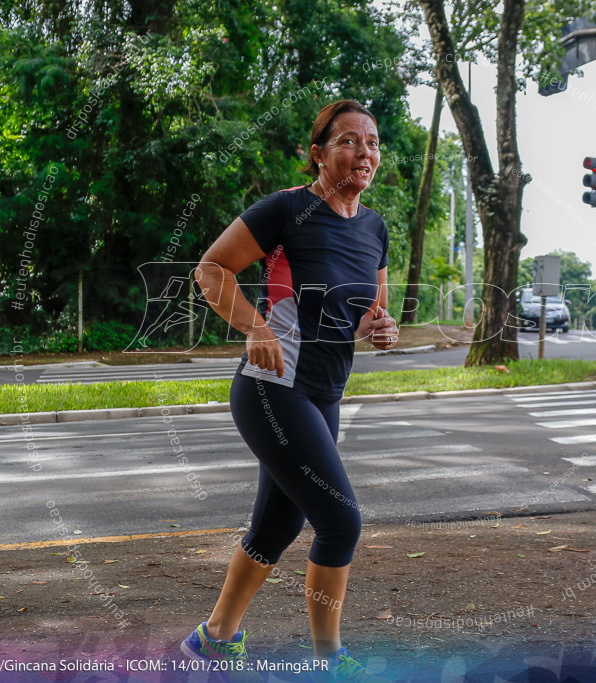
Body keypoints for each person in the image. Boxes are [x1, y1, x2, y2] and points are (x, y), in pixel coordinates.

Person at [181, 100, 398, 681]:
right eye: (348, 141)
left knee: (278, 527)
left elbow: (372, 316)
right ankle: (330, 661)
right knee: (340, 521)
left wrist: (382, 328)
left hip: (325, 392)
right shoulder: (287, 209)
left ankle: (214, 638)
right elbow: (210, 270)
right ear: (319, 152)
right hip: (273, 387)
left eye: (372, 142)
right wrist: (254, 327)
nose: (364, 152)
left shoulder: (375, 228)